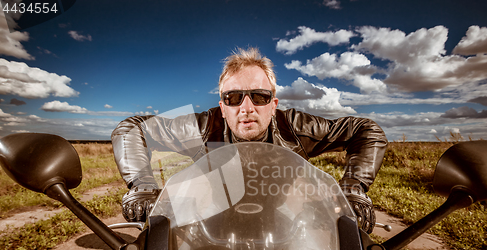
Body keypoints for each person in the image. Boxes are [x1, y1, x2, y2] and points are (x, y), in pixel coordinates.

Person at [111, 47, 387, 233]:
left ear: (273, 103)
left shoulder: (293, 126)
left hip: (288, 228)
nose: (246, 107)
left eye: (258, 96)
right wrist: (143, 187)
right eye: (233, 98)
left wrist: (353, 189)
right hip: (212, 226)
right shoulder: (203, 126)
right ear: (222, 106)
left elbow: (366, 130)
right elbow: (133, 128)